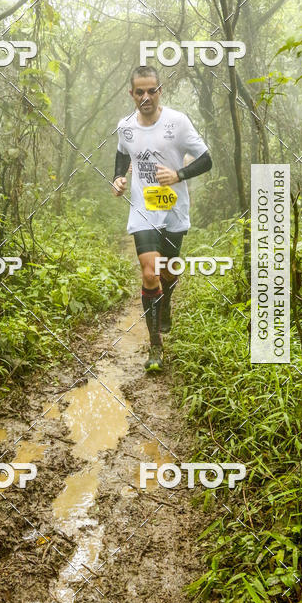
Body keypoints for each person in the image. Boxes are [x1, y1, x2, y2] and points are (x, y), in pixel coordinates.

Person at [112, 65, 212, 372]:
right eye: (139, 92)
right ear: (131, 94)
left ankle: (165, 301)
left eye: (151, 91)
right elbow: (122, 154)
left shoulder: (178, 122)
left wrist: (178, 174)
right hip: (143, 210)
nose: (146, 97)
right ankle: (155, 346)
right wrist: (118, 177)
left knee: (168, 272)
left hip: (173, 209)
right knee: (150, 273)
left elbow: (207, 159)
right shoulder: (125, 126)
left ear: (160, 91)